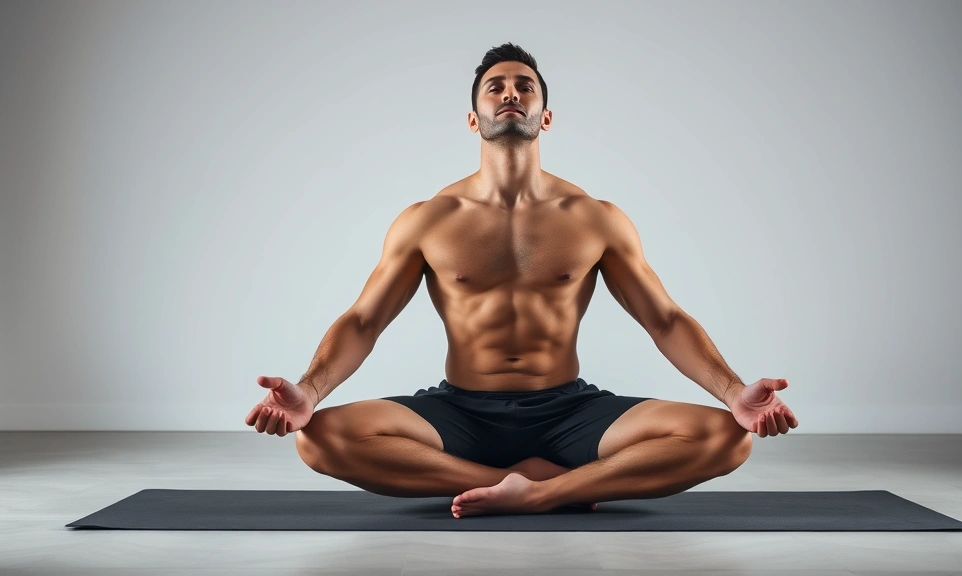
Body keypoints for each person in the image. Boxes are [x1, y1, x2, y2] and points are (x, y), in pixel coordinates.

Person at [244, 43, 797, 518]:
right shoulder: (428, 219)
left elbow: (665, 319)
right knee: (318, 439)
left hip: (568, 411)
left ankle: (538, 493)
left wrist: (733, 392)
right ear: (473, 117)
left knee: (727, 438)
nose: (510, 93)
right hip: (461, 412)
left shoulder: (594, 217)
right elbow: (364, 321)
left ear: (545, 115)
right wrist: (310, 392)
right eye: (495, 87)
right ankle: (515, 479)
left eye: (524, 86)